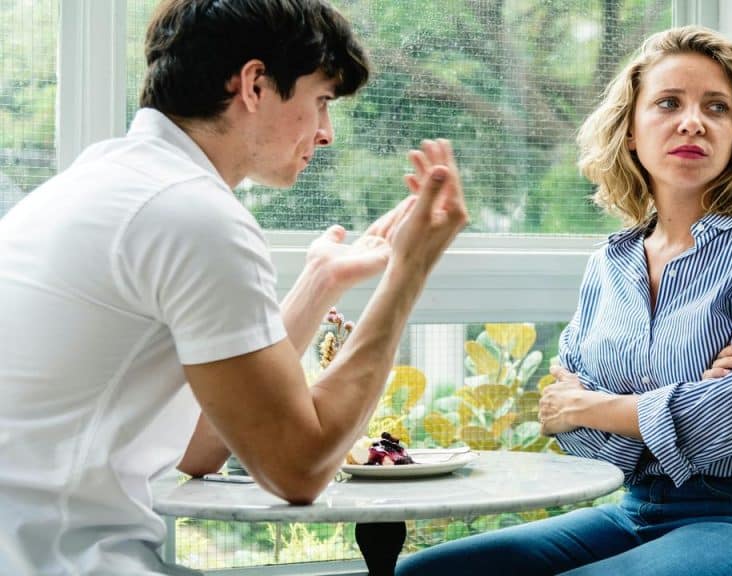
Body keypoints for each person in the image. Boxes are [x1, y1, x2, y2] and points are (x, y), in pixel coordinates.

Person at [0, 1, 467, 574]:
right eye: (321, 101)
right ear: (254, 84)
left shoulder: (109, 179)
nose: (326, 134)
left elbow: (200, 446)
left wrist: (319, 283)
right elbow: (297, 470)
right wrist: (409, 271)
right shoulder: (192, 213)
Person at [397, 25, 732, 576]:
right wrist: (690, 403)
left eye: (717, 108)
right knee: (426, 574)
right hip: (638, 511)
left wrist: (603, 406)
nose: (693, 121)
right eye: (668, 103)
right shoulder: (608, 265)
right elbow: (577, 438)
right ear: (632, 131)